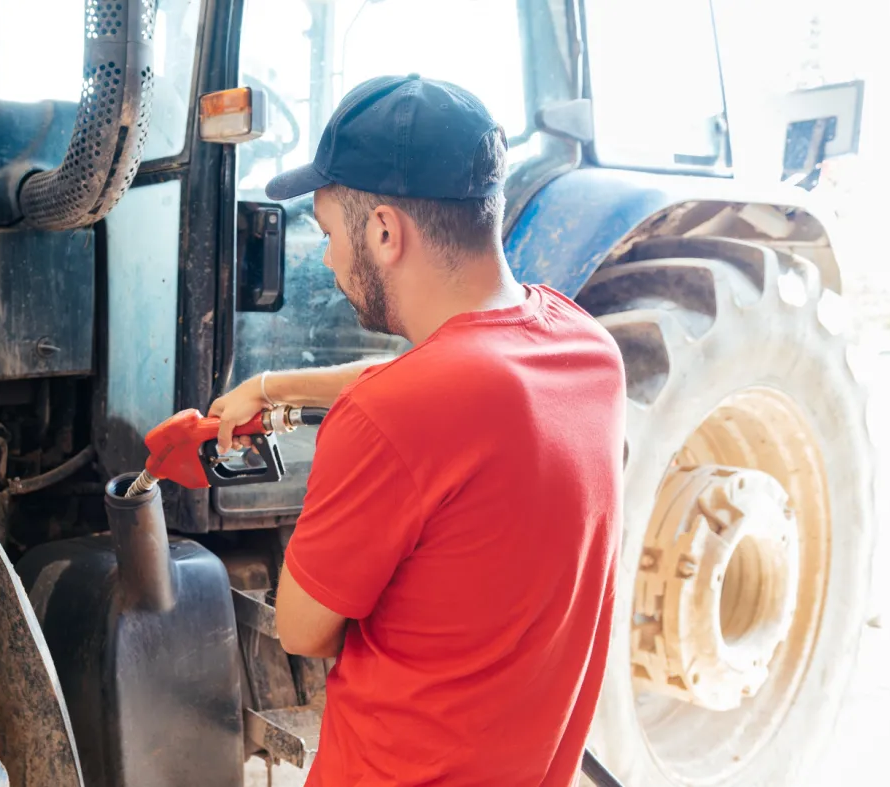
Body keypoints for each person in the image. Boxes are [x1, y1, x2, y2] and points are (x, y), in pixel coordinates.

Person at [209, 75, 625, 786]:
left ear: (383, 231)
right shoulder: (584, 349)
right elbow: (449, 378)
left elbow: (304, 630)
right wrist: (274, 385)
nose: (332, 260)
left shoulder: (391, 420)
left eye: (329, 232)